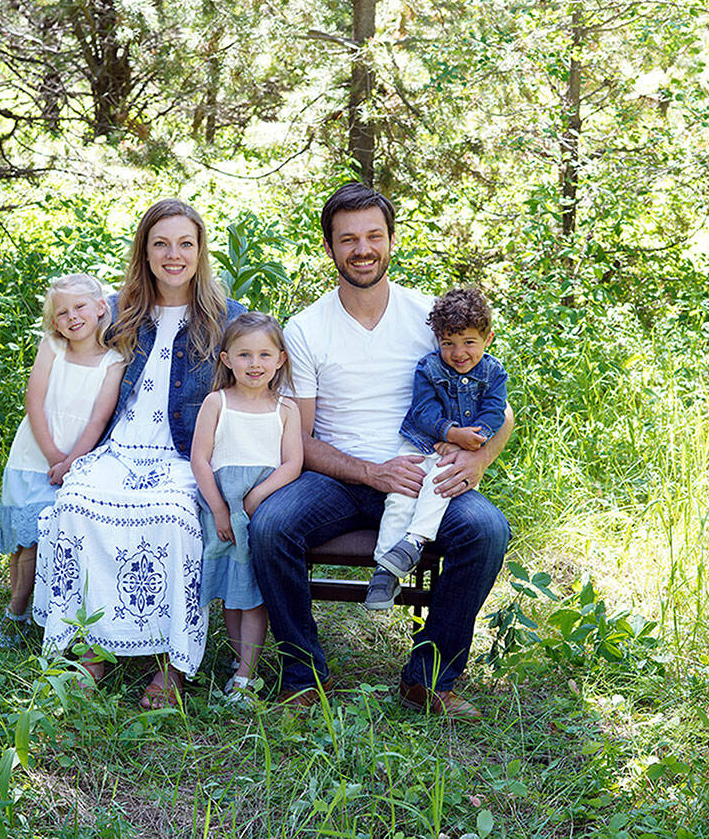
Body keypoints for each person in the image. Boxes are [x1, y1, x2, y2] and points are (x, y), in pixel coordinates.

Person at [249, 182, 513, 720]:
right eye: (348, 239)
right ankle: (303, 677)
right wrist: (371, 472)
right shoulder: (306, 328)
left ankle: (429, 680)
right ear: (330, 248)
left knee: (486, 529)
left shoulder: (428, 319)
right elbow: (297, 436)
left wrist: (478, 460)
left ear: (392, 240)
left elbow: (500, 407)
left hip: (423, 471)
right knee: (271, 527)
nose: (362, 249)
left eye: (374, 235)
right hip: (336, 477)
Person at [32, 199, 244, 710]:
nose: (174, 255)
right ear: (145, 253)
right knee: (76, 507)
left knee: (172, 518)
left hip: (180, 453)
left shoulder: (226, 318)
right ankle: (91, 645)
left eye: (185, 244)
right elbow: (62, 343)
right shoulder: (115, 307)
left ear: (200, 251)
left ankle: (171, 663)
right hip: (118, 446)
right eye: (161, 244)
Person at [0, 273, 125, 633]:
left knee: (38, 538)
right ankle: (18, 604)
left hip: (75, 463)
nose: (72, 317)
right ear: (54, 320)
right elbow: (34, 402)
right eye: (62, 312)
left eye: (80, 307)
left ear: (101, 308)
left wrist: (70, 463)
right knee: (21, 543)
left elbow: (99, 419)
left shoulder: (113, 362)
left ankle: (17, 614)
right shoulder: (52, 348)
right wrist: (53, 455)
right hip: (32, 455)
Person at [364, 288, 508, 611]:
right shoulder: (428, 368)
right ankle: (384, 572)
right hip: (419, 442)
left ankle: (413, 541)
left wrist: (471, 439)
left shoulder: (494, 373)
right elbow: (423, 411)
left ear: (488, 339)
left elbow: (495, 412)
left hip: (456, 454)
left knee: (438, 485)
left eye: (469, 342)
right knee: (401, 495)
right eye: (448, 343)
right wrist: (450, 432)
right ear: (437, 341)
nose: (459, 353)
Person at [190, 313, 303, 704]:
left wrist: (257, 497)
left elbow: (293, 463)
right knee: (232, 591)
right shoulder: (216, 401)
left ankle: (245, 675)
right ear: (226, 360)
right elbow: (200, 459)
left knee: (254, 593)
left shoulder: (285, 408)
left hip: (264, 509)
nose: (255, 364)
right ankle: (240, 659)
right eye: (244, 355)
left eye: (264, 355)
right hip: (222, 512)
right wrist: (220, 508)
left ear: (280, 359)